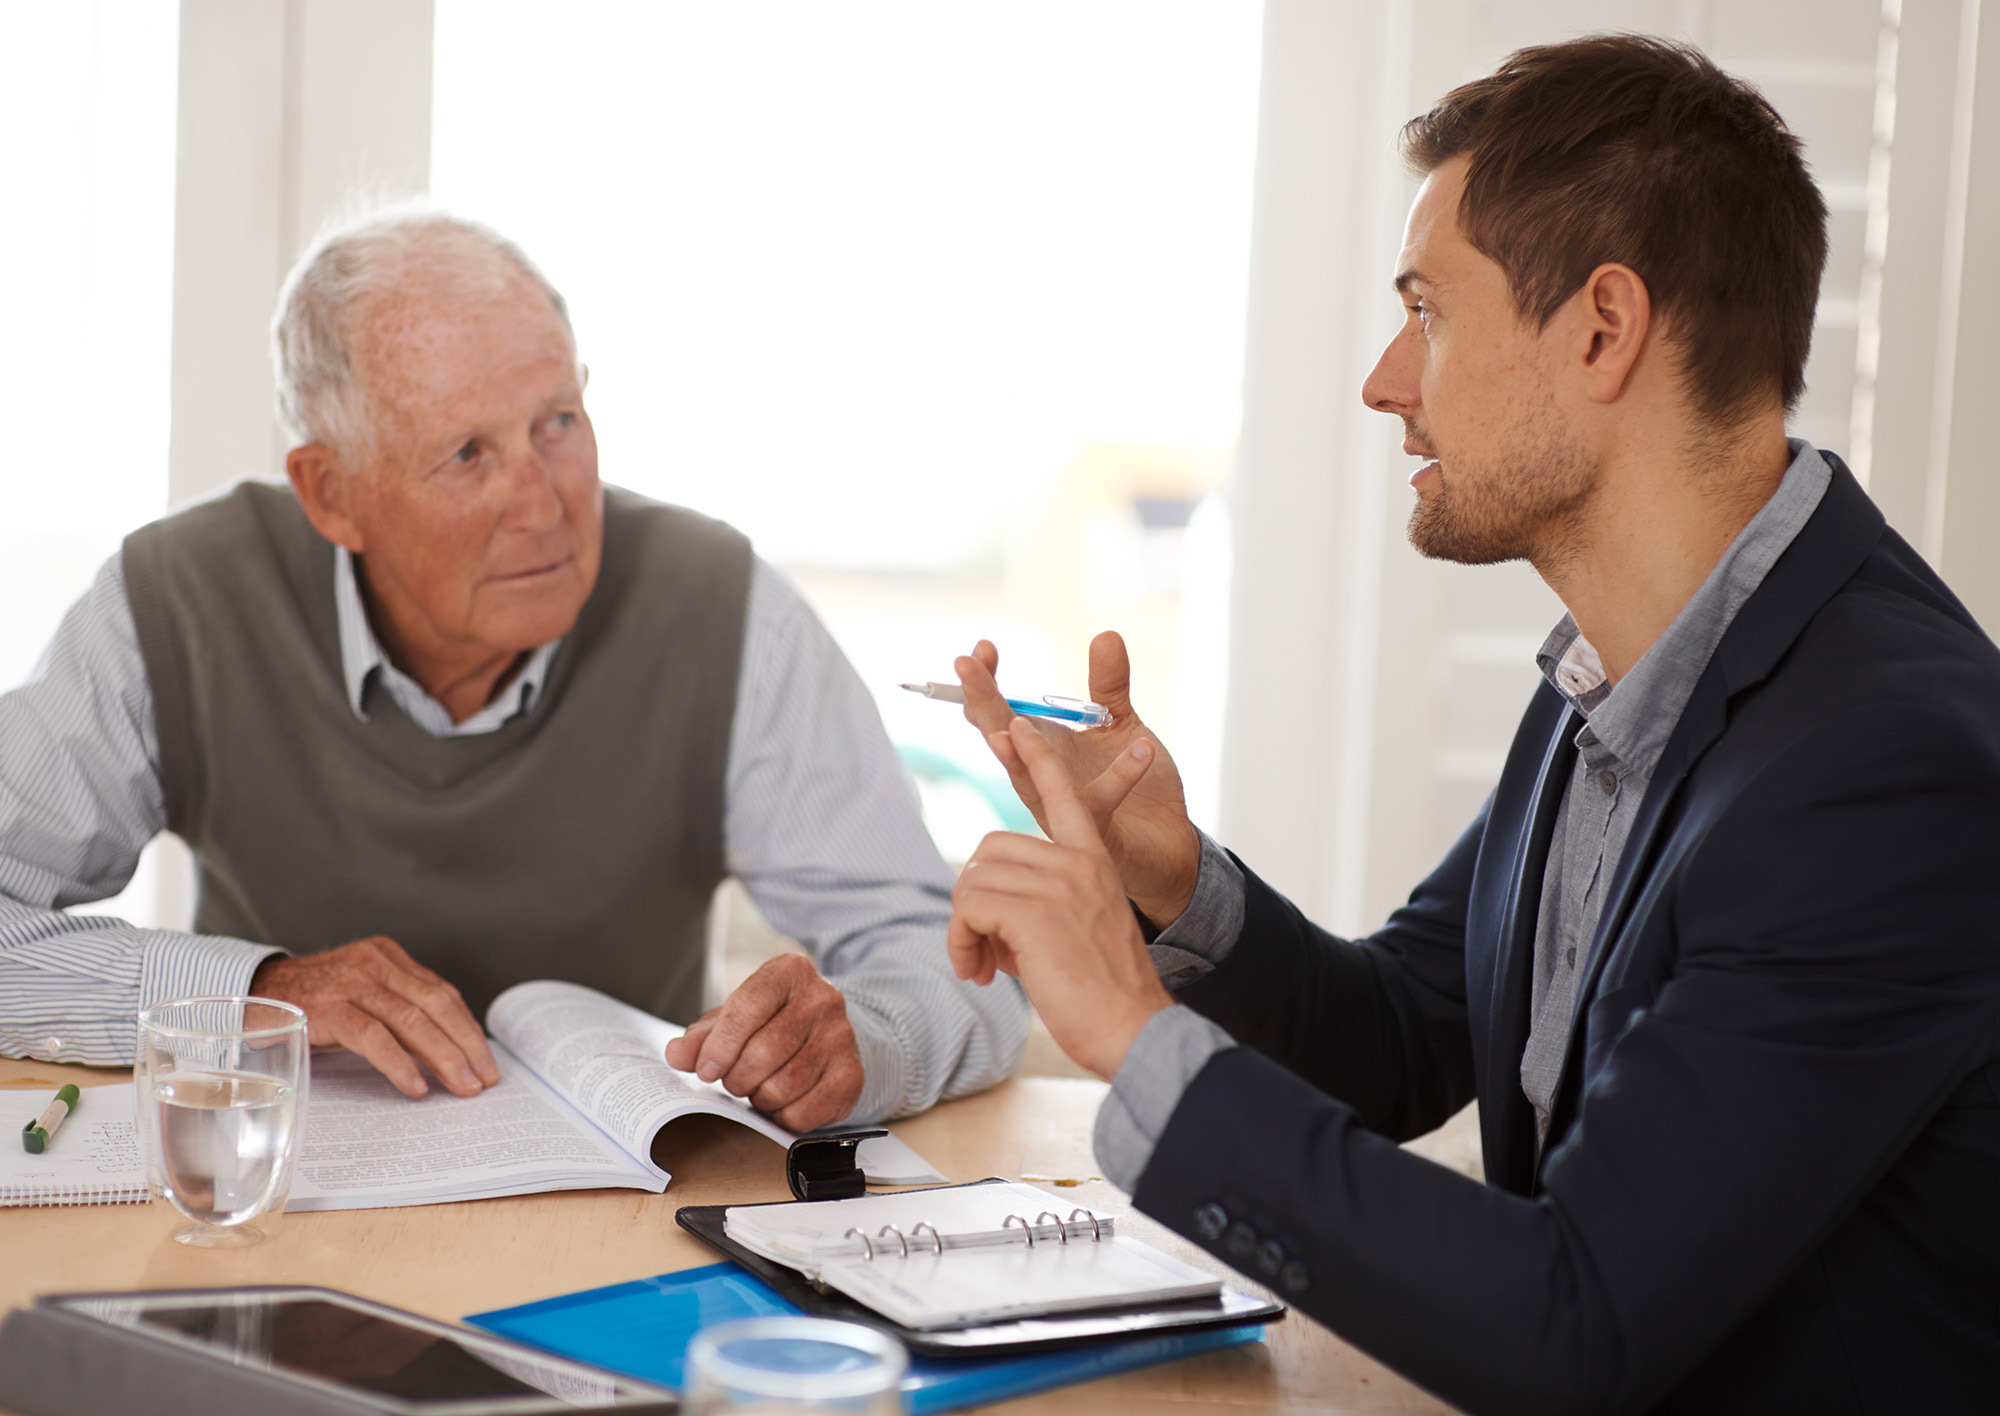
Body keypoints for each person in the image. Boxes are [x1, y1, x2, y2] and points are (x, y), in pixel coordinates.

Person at [945, 36, 2000, 1414]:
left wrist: (1131, 1030)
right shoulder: (1624, 675)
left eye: (1426, 312)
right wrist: (1171, 879)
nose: (1386, 380)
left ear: (1603, 329)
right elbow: (1402, 1035)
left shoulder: (1882, 771)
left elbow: (1577, 1324)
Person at [0, 211, 1026, 1133]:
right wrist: (256, 994)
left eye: (558, 423)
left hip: (630, 1220)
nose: (543, 506)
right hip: (277, 1203)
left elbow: (949, 960)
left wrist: (860, 1042)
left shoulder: (722, 606)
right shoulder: (179, 599)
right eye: (466, 455)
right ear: (331, 493)